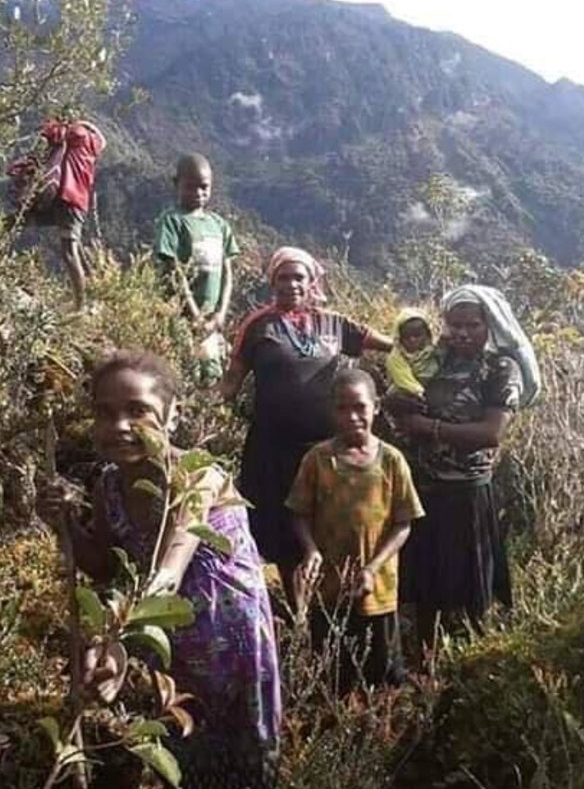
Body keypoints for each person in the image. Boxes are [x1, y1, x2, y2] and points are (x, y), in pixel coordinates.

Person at [41, 350, 281, 789]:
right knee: (180, 749)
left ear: (172, 416)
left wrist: (116, 643)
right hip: (167, 647)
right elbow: (104, 565)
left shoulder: (197, 477)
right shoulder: (109, 486)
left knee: (243, 760)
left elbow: (169, 569)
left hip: (229, 647)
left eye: (138, 411)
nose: (120, 427)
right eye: (104, 413)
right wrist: (66, 525)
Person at [222, 246, 394, 608]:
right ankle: (298, 608)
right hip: (273, 447)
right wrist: (202, 409)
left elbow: (394, 348)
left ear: (311, 280)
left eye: (298, 277)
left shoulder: (335, 323)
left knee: (325, 521)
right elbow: (232, 379)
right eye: (283, 277)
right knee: (284, 527)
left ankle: (336, 602)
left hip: (325, 447)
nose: (291, 285)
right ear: (272, 281)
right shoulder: (258, 325)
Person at [391, 284, 541, 648]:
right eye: (453, 325)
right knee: (427, 578)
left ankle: (473, 652)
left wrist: (428, 428)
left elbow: (492, 433)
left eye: (471, 325)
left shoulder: (500, 368)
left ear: (489, 325)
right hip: (424, 487)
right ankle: (424, 653)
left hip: (466, 490)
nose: (461, 333)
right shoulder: (435, 360)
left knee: (469, 584)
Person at [286, 368, 424, 694]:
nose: (351, 417)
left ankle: (381, 736)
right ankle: (338, 733)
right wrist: (311, 550)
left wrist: (373, 568)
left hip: (378, 592)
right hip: (330, 591)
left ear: (375, 407)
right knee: (334, 673)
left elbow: (404, 522)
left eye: (359, 407)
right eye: (341, 408)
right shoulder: (317, 460)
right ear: (331, 411)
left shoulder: (392, 461)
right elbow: (299, 513)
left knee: (383, 673)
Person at [154, 152, 239, 387]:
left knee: (212, 375)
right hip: (180, 317)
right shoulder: (172, 222)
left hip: (212, 319)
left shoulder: (219, 225)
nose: (198, 194)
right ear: (176, 184)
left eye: (204, 187)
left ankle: (204, 421)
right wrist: (195, 314)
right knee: (183, 373)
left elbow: (227, 273)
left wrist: (220, 314)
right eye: (191, 187)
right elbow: (175, 271)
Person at [6, 117, 106, 311]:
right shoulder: (91, 146)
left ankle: (80, 305)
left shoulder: (75, 134)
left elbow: (51, 132)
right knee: (20, 223)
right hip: (68, 201)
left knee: (69, 250)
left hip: (68, 199)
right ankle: (93, 288)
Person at [385, 308, 439, 397]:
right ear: (399, 337)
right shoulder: (396, 357)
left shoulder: (434, 350)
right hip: (406, 391)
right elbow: (403, 379)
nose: (412, 340)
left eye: (417, 335)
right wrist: (420, 393)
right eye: (407, 336)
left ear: (427, 335)